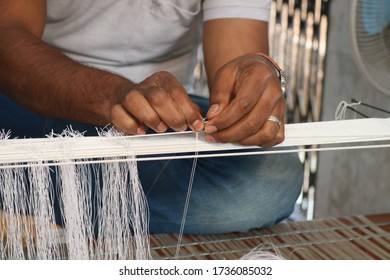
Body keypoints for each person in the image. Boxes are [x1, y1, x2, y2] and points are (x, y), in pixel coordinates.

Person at [0, 0, 303, 234]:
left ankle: (26, 191)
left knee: (272, 176)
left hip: (155, 126)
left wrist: (249, 95)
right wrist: (113, 95)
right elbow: (7, 38)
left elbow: (236, 68)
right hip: (27, 99)